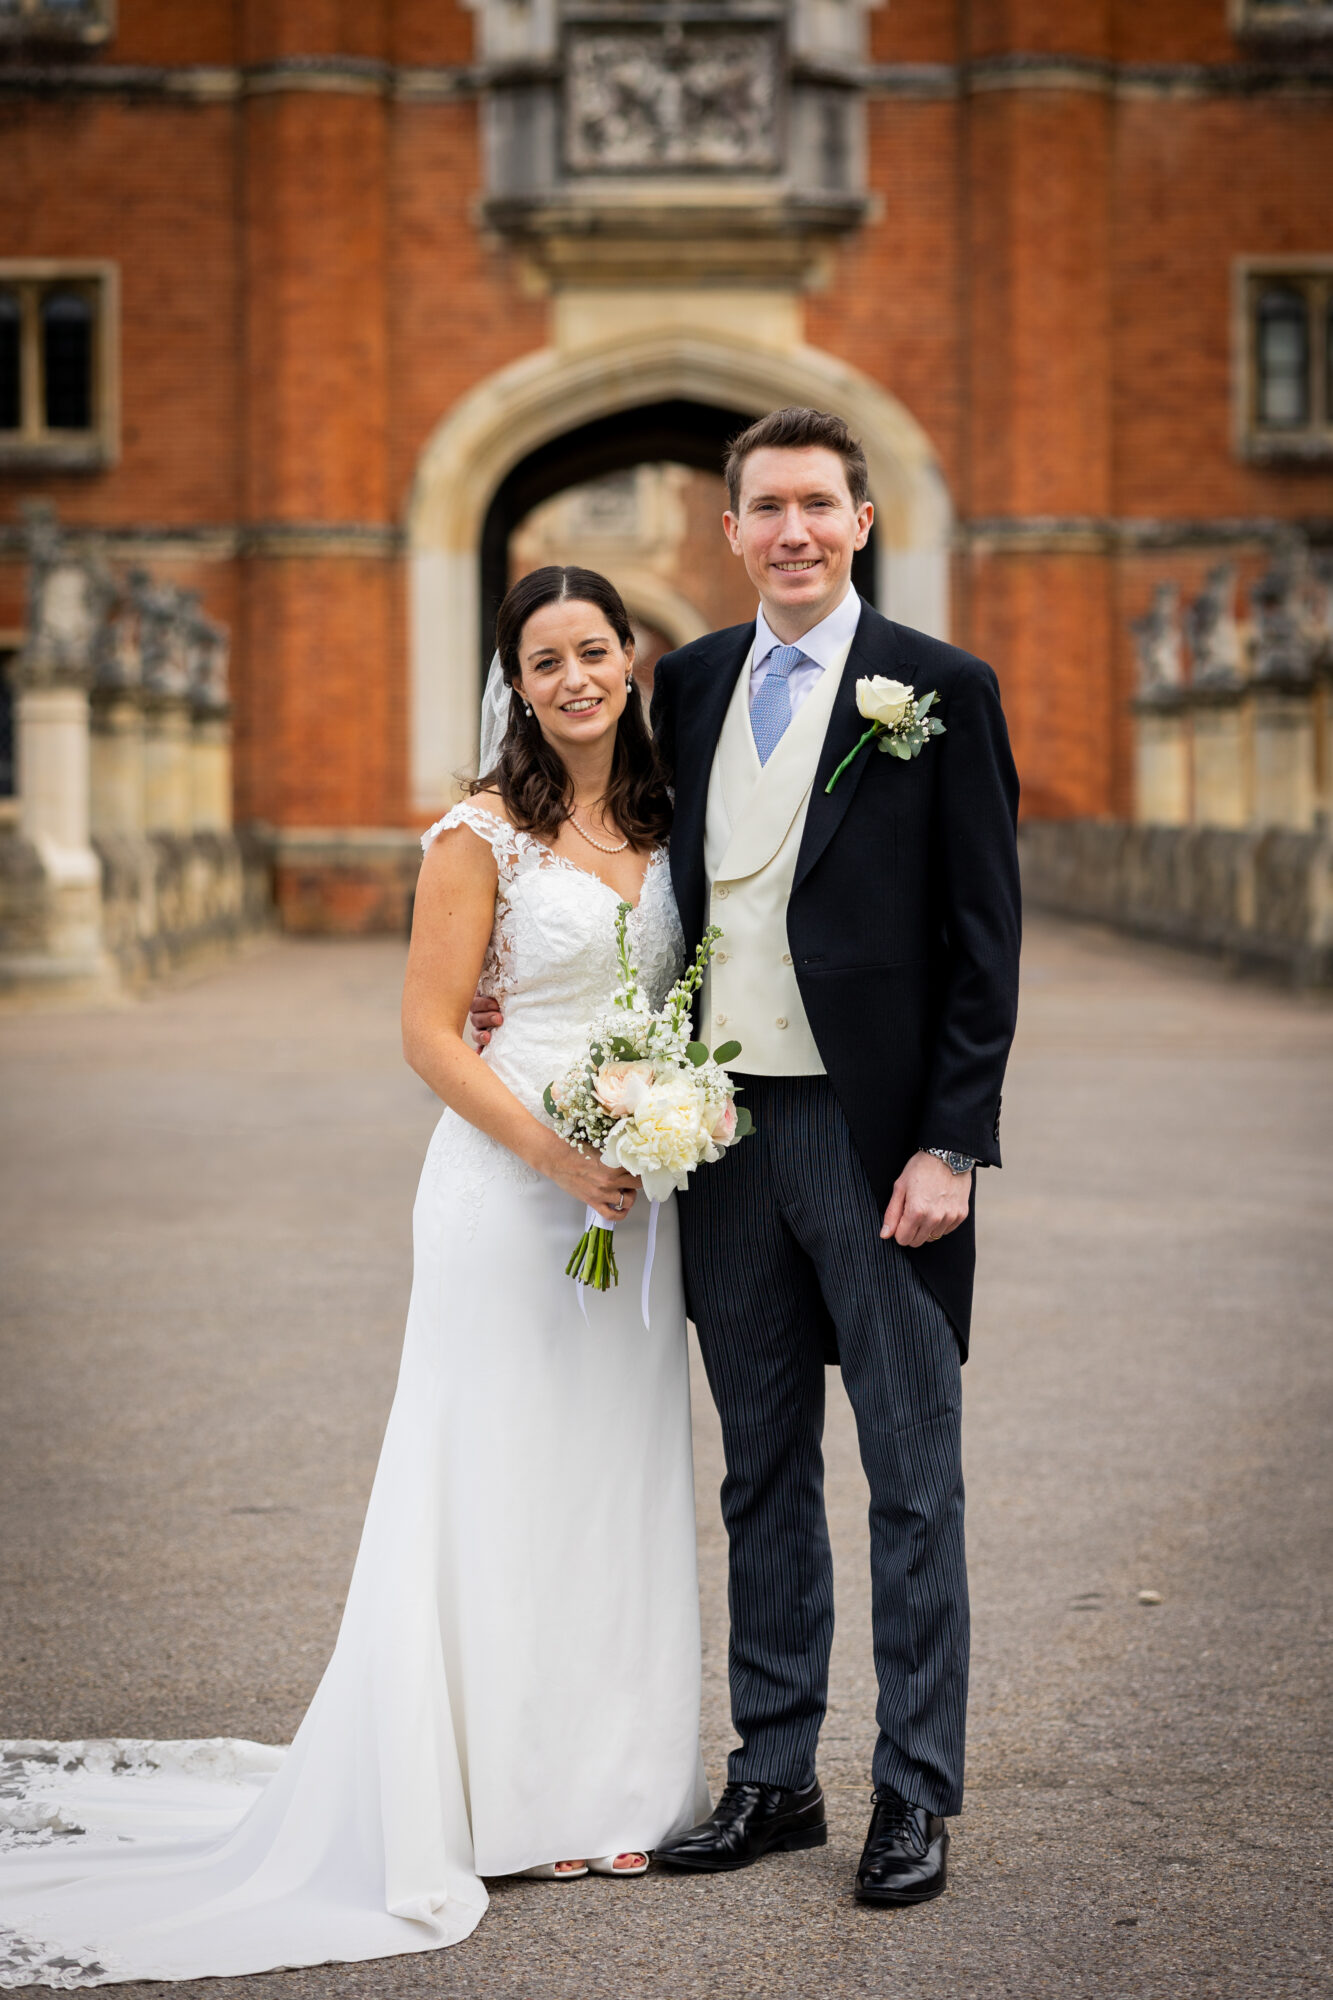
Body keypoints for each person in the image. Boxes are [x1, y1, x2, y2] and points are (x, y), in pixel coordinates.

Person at [0, 564, 708, 1986]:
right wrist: (561, 1159)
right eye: (544, 660)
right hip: (511, 1190)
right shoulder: (478, 834)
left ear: (631, 659)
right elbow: (430, 1036)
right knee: (490, 1470)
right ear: (514, 680)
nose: (574, 678)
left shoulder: (672, 815)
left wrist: (665, 1119)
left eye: (593, 651)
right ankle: (496, 1795)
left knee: (612, 1478)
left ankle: (614, 1785)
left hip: (644, 1190)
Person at [477, 404, 1021, 1908]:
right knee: (759, 1468)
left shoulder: (942, 690)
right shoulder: (697, 683)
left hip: (876, 1141)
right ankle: (774, 1775)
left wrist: (950, 1147)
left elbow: (984, 944)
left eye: (815, 506)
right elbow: (623, 858)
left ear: (858, 523)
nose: (789, 530)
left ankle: (912, 1794)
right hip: (716, 1135)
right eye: (763, 507)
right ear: (728, 532)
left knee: (912, 1474)